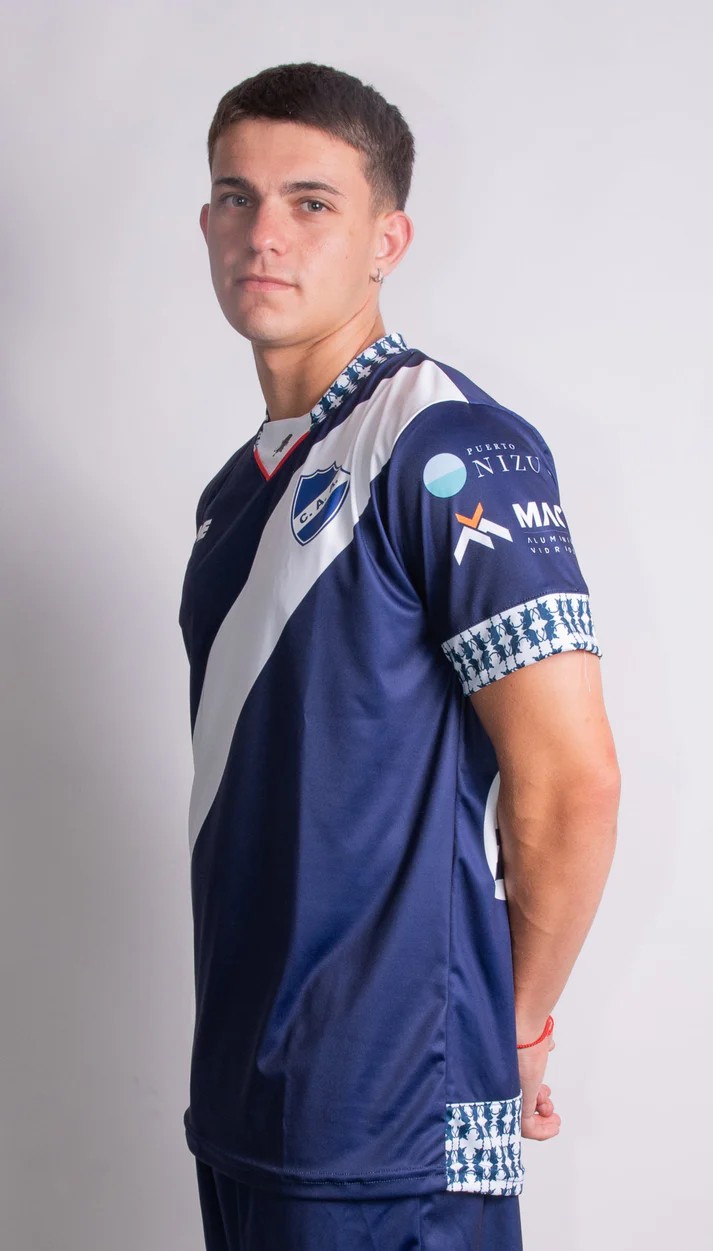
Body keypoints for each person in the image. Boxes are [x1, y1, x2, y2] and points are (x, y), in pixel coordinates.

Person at [179, 61, 620, 1251]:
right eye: (236, 197)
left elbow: (570, 783)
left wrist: (511, 1029)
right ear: (207, 222)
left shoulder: (447, 444)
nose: (264, 234)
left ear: (388, 239)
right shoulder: (238, 489)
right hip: (248, 1100)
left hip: (393, 1118)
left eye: (311, 202)